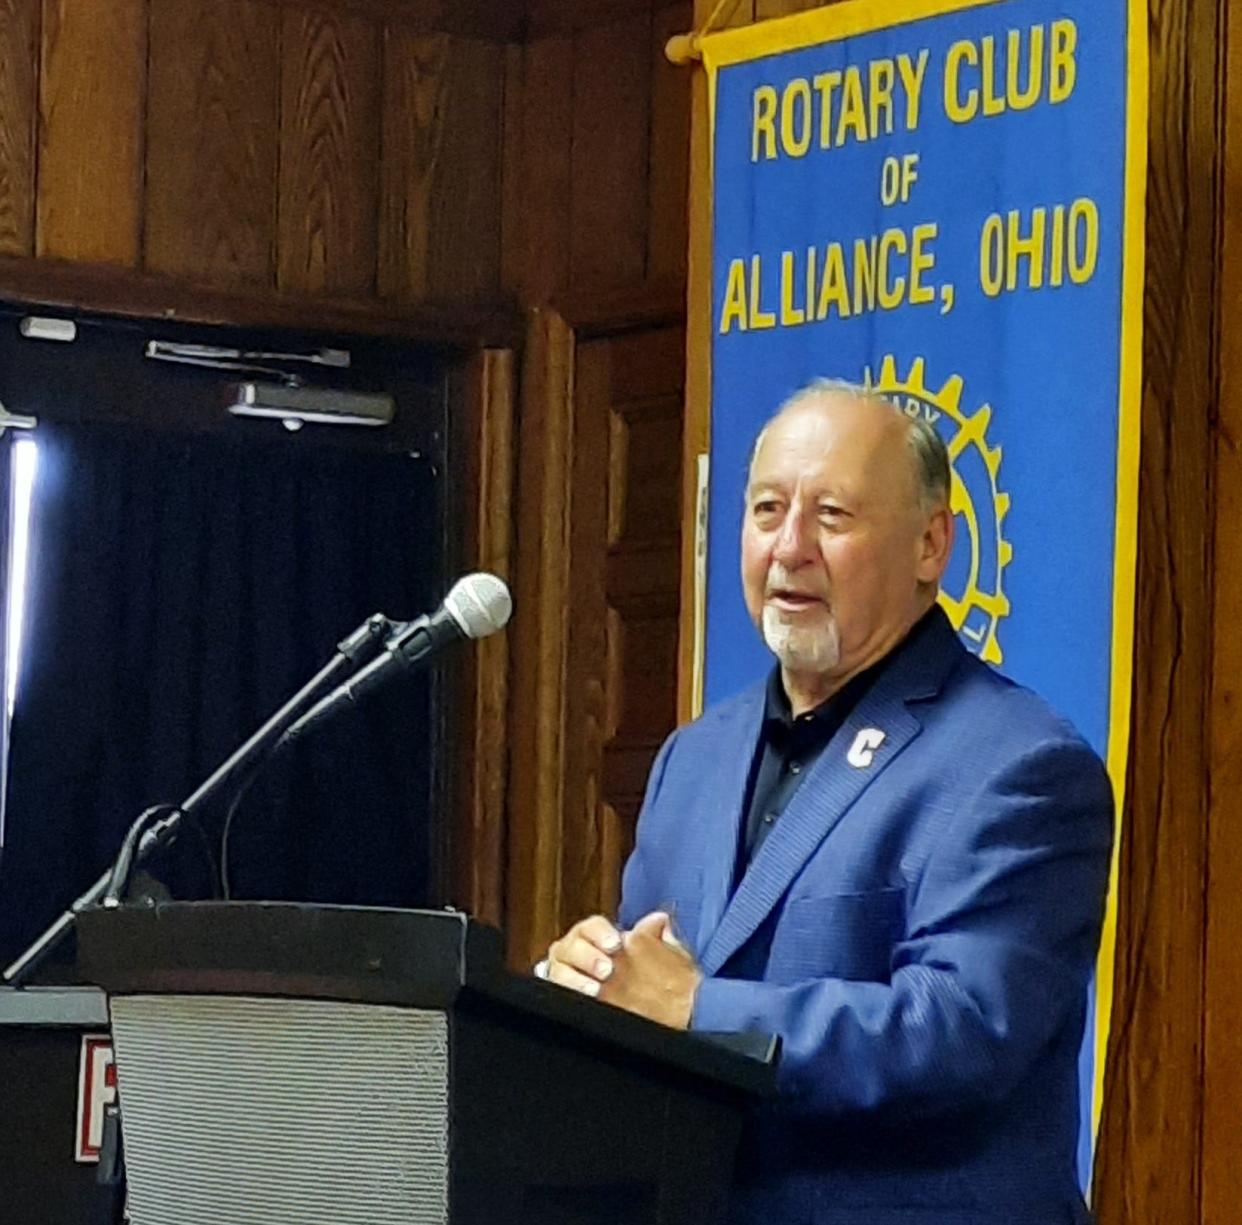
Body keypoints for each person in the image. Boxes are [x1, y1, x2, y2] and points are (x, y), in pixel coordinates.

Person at [542, 379, 1114, 1225]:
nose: (790, 547)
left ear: (931, 544)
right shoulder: (692, 758)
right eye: (767, 509)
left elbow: (960, 1032)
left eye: (833, 516)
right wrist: (586, 993)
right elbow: (649, 1005)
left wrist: (695, 1008)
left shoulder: (1021, 764)